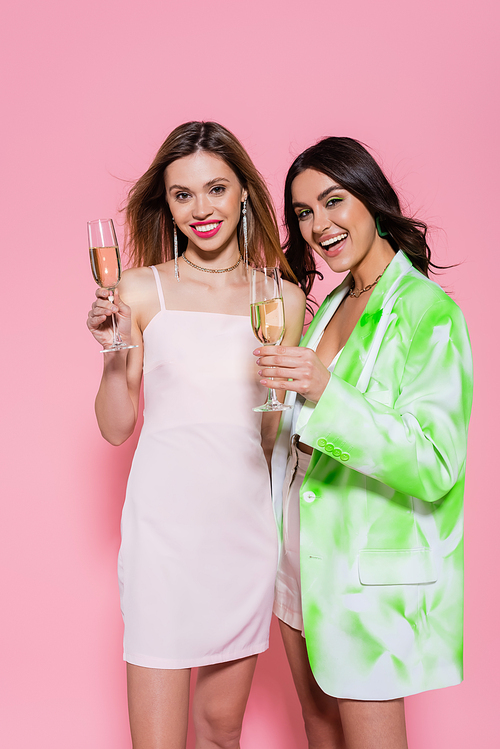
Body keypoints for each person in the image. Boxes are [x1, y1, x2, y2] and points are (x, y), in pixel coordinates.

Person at [86, 121, 305, 749]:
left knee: (219, 732)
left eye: (215, 189)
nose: (200, 209)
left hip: (241, 531)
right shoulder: (138, 291)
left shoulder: (280, 300)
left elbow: (269, 433)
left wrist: (277, 399)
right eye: (182, 195)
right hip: (163, 533)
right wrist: (112, 352)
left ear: (242, 194)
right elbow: (116, 427)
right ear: (167, 203)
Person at [254, 137, 473, 748]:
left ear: (371, 199)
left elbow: (435, 463)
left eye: (333, 201)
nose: (319, 225)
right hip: (298, 560)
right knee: (320, 735)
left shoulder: (428, 314)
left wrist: (328, 392)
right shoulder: (332, 306)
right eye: (303, 212)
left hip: (364, 577)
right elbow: (297, 438)